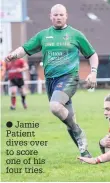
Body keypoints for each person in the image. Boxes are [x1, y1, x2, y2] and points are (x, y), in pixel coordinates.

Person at [4, 4, 99, 158]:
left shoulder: (76, 35)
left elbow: (92, 55)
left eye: (61, 15)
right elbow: (25, 48)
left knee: (55, 106)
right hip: (50, 81)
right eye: (55, 15)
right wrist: (13, 55)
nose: (58, 17)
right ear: (51, 16)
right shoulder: (43, 35)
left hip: (69, 77)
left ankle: (78, 131)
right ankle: (84, 153)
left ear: (66, 15)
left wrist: (93, 72)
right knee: (69, 118)